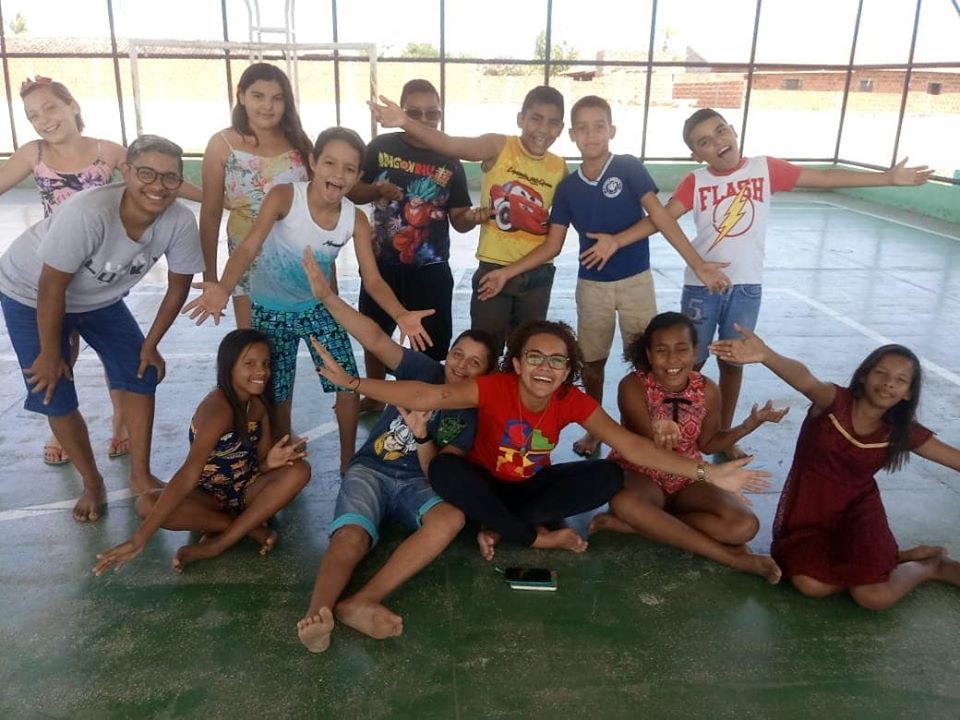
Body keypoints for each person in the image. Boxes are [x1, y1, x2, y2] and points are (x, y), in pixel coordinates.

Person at [312, 319, 770, 562]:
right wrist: (355, 383)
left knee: (608, 475)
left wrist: (708, 472)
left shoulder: (571, 400)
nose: (544, 368)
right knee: (448, 470)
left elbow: (633, 448)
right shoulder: (494, 387)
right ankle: (531, 538)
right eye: (534, 357)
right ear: (516, 364)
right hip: (484, 484)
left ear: (568, 371)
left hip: (528, 490)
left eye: (557, 361)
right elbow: (427, 394)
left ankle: (501, 526)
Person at [659, 108, 932, 456]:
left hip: (746, 288)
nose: (718, 142)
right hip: (703, 288)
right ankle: (676, 433)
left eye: (721, 131)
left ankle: (724, 436)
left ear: (733, 130)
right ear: (696, 154)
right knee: (690, 364)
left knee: (734, 363)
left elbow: (825, 178)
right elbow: (663, 219)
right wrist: (632, 243)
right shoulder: (695, 181)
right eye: (704, 142)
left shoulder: (764, 169)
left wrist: (888, 178)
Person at [184, 127, 431, 473]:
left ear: (358, 176)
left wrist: (400, 314)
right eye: (330, 163)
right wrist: (223, 286)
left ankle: (349, 461)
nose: (338, 174)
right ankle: (281, 451)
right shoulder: (285, 197)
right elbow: (249, 246)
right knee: (278, 392)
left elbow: (373, 280)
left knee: (346, 382)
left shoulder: (355, 220)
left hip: (318, 309)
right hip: (270, 312)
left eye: (349, 168)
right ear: (313, 162)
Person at [296, 250, 497, 652]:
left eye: (474, 363)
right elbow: (374, 338)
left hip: (418, 481)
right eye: (458, 354)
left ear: (486, 375)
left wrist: (422, 437)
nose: (461, 365)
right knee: (350, 538)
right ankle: (318, 617)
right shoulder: (425, 369)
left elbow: (438, 473)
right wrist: (328, 298)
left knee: (450, 518)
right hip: (372, 469)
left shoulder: (472, 415)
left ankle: (361, 601)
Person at [0, 134, 204, 522]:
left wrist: (151, 344)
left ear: (180, 182)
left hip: (98, 299)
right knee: (52, 389)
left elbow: (178, 288)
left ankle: (140, 475)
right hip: (29, 292)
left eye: (170, 177)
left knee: (141, 370)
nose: (158, 186)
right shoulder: (90, 213)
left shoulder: (178, 221)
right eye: (146, 173)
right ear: (125, 170)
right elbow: (51, 287)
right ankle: (92, 483)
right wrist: (51, 353)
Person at [711, 326, 960, 608]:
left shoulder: (901, 431)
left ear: (907, 393)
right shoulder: (833, 401)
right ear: (864, 375)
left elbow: (954, 458)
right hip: (807, 514)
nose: (889, 383)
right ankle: (891, 559)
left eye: (900, 380)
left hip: (858, 514)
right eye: (881, 373)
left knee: (872, 597)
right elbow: (805, 380)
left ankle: (930, 567)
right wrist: (767, 355)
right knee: (811, 585)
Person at [544, 95, 731, 458]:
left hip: (636, 282)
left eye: (599, 126)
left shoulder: (628, 167)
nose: (591, 134)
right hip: (592, 286)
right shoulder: (567, 188)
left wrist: (698, 263)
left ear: (611, 130)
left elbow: (661, 218)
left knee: (648, 359)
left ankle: (647, 424)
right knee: (592, 363)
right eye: (582, 128)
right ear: (572, 134)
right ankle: (595, 429)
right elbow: (552, 243)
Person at [588, 312, 786, 582]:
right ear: (649, 355)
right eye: (661, 351)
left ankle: (646, 525)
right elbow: (647, 449)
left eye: (681, 349)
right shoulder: (632, 386)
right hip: (641, 473)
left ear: (695, 352)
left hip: (689, 477)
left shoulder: (707, 389)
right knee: (625, 502)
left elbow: (708, 444)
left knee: (744, 526)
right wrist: (658, 429)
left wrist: (749, 424)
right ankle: (731, 557)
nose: (672, 359)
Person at [92, 329, 309, 574]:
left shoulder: (258, 404)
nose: (261, 371)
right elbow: (189, 474)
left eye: (265, 364)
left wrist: (271, 462)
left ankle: (217, 543)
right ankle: (246, 528)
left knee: (300, 471)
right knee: (146, 504)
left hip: (248, 490)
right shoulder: (217, 410)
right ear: (229, 367)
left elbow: (258, 464)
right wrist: (140, 538)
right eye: (249, 364)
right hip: (209, 496)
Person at [369, 85, 568, 355]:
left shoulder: (559, 168)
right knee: (484, 351)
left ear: (561, 128)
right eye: (536, 118)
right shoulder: (498, 146)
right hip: (493, 268)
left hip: (537, 275)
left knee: (528, 351)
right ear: (520, 119)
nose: (543, 129)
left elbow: (560, 231)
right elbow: (451, 144)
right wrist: (404, 121)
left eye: (553, 122)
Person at [349, 79, 489, 413]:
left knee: (427, 343)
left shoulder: (450, 159)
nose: (424, 120)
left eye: (432, 114)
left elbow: (459, 219)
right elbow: (354, 191)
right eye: (414, 113)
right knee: (374, 334)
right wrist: (377, 190)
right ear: (401, 112)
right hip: (381, 266)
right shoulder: (380, 146)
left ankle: (418, 401)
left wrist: (474, 217)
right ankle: (377, 395)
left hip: (431, 269)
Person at [199, 62, 311, 330]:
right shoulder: (222, 144)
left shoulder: (300, 143)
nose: (267, 106)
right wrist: (211, 276)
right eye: (258, 96)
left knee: (302, 338)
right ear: (241, 96)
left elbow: (318, 207)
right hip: (245, 261)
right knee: (253, 342)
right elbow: (210, 213)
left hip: (294, 259)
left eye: (277, 98)